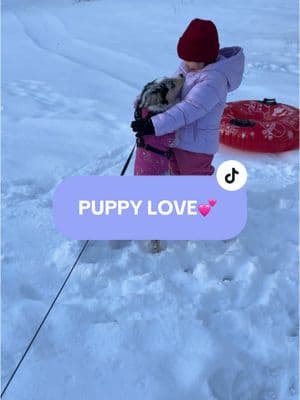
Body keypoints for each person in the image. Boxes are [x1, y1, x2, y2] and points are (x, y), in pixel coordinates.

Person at [131, 18, 245, 175]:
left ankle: (210, 199)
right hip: (179, 139)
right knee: (177, 176)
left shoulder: (214, 80)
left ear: (205, 57)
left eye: (189, 59)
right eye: (183, 58)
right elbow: (170, 88)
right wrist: (144, 102)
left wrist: (154, 125)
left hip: (197, 147)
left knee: (195, 179)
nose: (185, 63)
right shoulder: (189, 66)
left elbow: (189, 109)